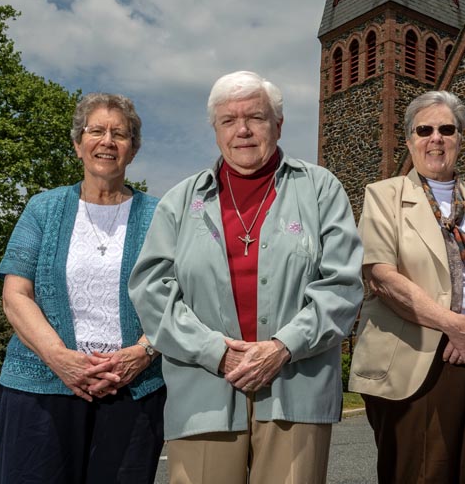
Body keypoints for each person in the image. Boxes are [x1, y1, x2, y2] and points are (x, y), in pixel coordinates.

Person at [128, 71, 363, 484]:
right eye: (228, 120)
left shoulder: (321, 189)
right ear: (215, 130)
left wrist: (282, 347)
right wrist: (215, 352)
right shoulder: (180, 202)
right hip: (203, 394)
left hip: (296, 388)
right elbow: (151, 292)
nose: (243, 130)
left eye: (255, 117)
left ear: (278, 124)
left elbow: (342, 286)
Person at [349, 90, 465, 483]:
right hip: (416, 356)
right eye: (424, 130)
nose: (436, 138)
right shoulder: (384, 197)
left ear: (460, 138)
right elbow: (381, 276)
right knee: (417, 474)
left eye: (446, 130)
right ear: (410, 140)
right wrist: (453, 325)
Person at [0, 93, 164, 484]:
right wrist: (59, 358)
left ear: (133, 150)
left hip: (133, 391)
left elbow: (182, 296)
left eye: (120, 134)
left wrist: (143, 351)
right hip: (40, 389)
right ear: (77, 144)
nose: (107, 141)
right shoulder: (43, 208)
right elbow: (16, 294)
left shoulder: (161, 215)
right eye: (96, 131)